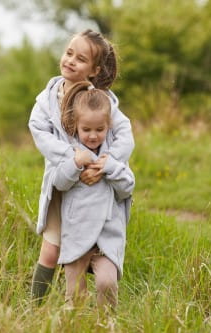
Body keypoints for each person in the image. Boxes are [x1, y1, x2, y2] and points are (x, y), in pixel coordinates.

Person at [28, 29, 134, 303]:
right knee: (51, 250)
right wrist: (72, 156)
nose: (71, 61)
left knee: (90, 247)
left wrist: (104, 162)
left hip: (95, 186)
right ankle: (33, 307)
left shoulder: (102, 100)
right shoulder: (48, 98)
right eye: (69, 53)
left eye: (81, 59)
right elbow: (40, 132)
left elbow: (124, 133)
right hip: (63, 182)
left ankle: (91, 301)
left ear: (94, 69)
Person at [54, 81, 134, 308]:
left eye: (99, 130)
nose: (92, 136)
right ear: (76, 126)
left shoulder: (113, 158)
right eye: (86, 130)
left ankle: (105, 324)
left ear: (108, 127)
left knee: (106, 283)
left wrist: (108, 168)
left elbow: (127, 186)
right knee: (75, 295)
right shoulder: (72, 154)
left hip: (107, 237)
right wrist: (75, 165)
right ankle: (75, 325)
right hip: (77, 233)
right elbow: (59, 183)